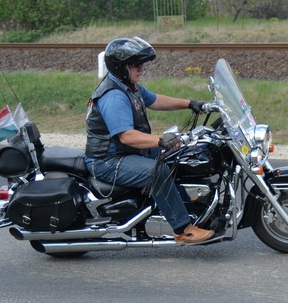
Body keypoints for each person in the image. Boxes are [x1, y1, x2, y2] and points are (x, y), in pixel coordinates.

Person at [85, 36, 214, 244]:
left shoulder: (128, 86)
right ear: (120, 67)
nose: (141, 68)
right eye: (135, 64)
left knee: (178, 153)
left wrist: (191, 103)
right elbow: (126, 136)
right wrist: (161, 140)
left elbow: (156, 100)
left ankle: (185, 203)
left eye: (141, 63)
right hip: (107, 160)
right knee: (157, 171)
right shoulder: (114, 96)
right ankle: (182, 229)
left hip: (125, 152)